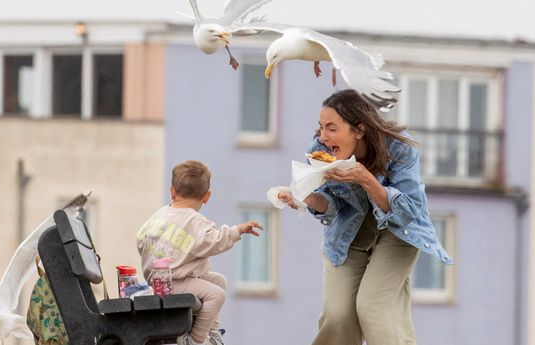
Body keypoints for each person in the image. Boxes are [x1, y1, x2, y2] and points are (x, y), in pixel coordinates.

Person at [278, 89, 453, 345]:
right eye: (321, 127)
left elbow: (409, 210)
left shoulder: (399, 148)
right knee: (338, 316)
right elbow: (331, 203)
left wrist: (366, 180)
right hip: (349, 234)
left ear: (358, 129)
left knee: (373, 308)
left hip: (398, 232)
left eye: (331, 128)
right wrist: (304, 198)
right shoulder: (319, 150)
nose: (323, 136)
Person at [137, 160, 263, 345]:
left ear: (172, 191)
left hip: (159, 279)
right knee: (216, 295)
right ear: (206, 196)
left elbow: (141, 239)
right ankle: (196, 339)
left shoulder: (159, 216)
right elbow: (215, 241)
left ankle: (211, 331)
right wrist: (238, 230)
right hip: (173, 282)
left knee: (219, 281)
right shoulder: (196, 222)